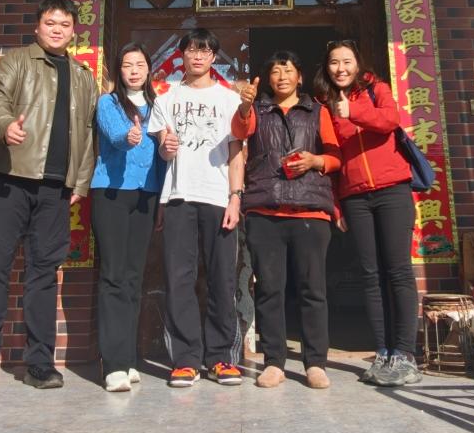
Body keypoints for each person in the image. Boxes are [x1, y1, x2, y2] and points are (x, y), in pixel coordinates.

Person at [0, 0, 98, 396]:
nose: (57, 30)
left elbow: (88, 134)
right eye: (50, 23)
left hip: (56, 189)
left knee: (44, 276)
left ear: (74, 31)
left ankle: (40, 364)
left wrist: (80, 184)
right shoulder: (16, 61)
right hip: (10, 179)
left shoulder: (83, 76)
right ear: (37, 26)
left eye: (65, 24)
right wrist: (5, 125)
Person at [314, 39, 420, 387]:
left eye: (347, 61)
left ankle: (405, 353)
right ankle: (383, 352)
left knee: (398, 271)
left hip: (392, 190)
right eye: (334, 62)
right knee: (370, 274)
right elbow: (332, 157)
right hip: (355, 196)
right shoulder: (324, 105)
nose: (340, 68)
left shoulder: (377, 90)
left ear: (357, 64)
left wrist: (353, 112)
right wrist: (336, 204)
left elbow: (389, 121)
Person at [232, 51, 341, 389]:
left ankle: (315, 363)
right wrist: (245, 106)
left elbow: (336, 156)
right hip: (265, 211)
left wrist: (315, 161)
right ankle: (274, 362)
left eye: (288, 70)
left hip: (310, 211)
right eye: (275, 71)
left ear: (300, 77)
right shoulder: (258, 111)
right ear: (267, 79)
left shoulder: (317, 111)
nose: (282, 77)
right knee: (269, 289)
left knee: (313, 290)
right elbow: (239, 130)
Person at [148, 28, 245, 388]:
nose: (198, 56)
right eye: (192, 50)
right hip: (179, 197)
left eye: (205, 51)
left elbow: (236, 153)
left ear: (214, 57)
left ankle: (221, 358)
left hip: (219, 198)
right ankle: (186, 360)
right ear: (183, 55)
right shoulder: (166, 98)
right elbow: (163, 149)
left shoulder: (229, 99)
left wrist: (235, 197)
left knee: (222, 278)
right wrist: (167, 148)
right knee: (179, 279)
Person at [90, 42, 165, 392]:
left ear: (149, 69)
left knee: (134, 278)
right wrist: (128, 135)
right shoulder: (108, 103)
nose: (134, 71)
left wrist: (162, 199)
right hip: (111, 193)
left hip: (147, 195)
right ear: (118, 71)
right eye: (127, 65)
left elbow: (164, 155)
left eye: (139, 64)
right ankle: (113, 364)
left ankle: (129, 357)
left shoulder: (159, 106)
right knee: (113, 276)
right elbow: (115, 135)